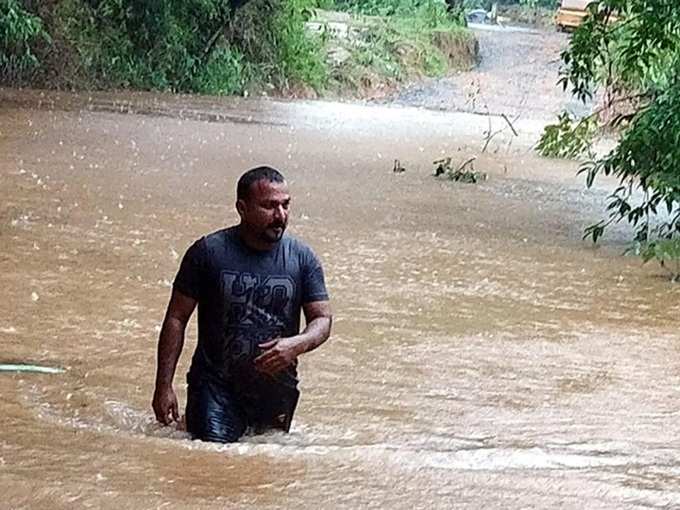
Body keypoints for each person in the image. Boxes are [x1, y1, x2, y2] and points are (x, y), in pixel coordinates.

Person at [152, 166, 332, 443]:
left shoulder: (302, 258)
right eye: (269, 207)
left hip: (276, 389)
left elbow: (322, 320)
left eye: (285, 206)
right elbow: (176, 318)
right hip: (214, 386)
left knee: (263, 470)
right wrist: (163, 386)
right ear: (242, 208)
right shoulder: (208, 252)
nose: (280, 216)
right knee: (214, 460)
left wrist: (297, 344)